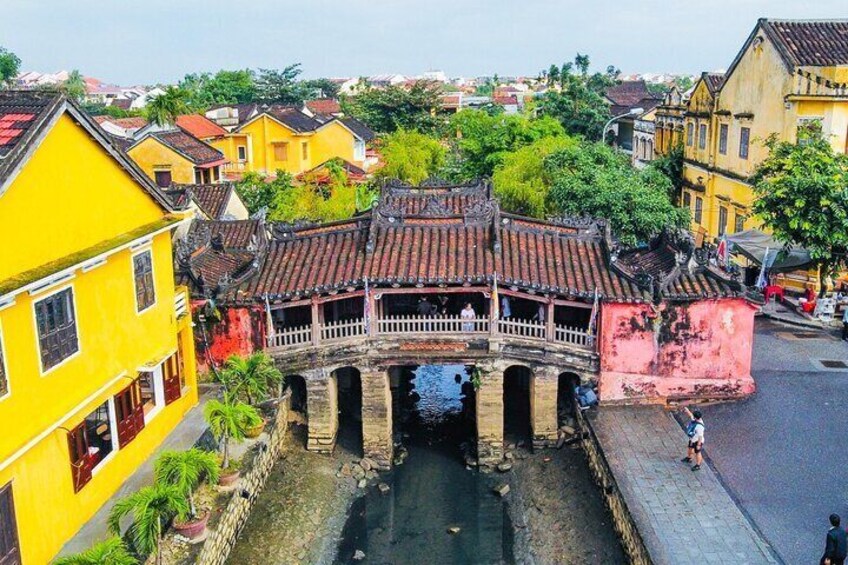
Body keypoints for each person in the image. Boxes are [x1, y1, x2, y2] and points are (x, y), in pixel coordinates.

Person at [681, 406, 705, 471]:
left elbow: (700, 436)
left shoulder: (700, 426)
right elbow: (691, 415)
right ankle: (689, 458)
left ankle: (698, 465)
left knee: (698, 452)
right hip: (692, 439)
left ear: (695, 417)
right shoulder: (695, 420)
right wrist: (687, 411)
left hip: (697, 441)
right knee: (690, 448)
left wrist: (698, 445)